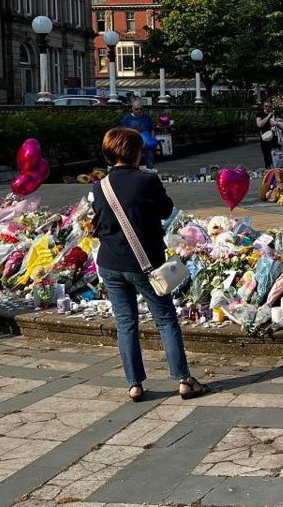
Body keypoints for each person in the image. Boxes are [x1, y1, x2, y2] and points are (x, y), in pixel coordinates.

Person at [92, 128, 209, 402]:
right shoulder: (147, 181)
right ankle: (183, 379)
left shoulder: (100, 186)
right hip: (143, 264)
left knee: (126, 323)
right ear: (135, 152)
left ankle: (134, 384)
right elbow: (166, 210)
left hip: (110, 263)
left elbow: (101, 223)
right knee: (166, 319)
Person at [120, 99, 156, 169]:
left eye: (141, 109)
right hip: (133, 145)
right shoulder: (127, 119)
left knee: (150, 164)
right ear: (132, 108)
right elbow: (123, 132)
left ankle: (151, 176)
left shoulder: (147, 117)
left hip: (147, 144)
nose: (139, 111)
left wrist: (152, 139)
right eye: (136, 109)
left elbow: (152, 129)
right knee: (133, 164)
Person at [256, 102, 283, 169]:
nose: (267, 108)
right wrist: (268, 116)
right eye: (266, 106)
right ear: (263, 106)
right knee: (267, 155)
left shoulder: (276, 113)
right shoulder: (260, 114)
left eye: (269, 106)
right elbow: (259, 124)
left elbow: (281, 122)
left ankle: (278, 169)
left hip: (275, 137)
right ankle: (268, 169)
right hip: (265, 138)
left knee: (277, 154)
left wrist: (278, 120)